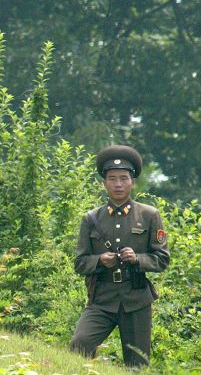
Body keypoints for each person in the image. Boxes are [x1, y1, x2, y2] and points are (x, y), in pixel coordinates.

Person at [70, 145, 170, 367]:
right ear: (104, 182)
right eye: (112, 178)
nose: (118, 184)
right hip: (102, 299)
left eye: (123, 178)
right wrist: (99, 261)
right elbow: (79, 262)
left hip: (136, 299)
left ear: (132, 182)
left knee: (137, 364)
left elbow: (162, 259)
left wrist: (137, 259)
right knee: (80, 344)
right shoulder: (91, 219)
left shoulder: (149, 215)